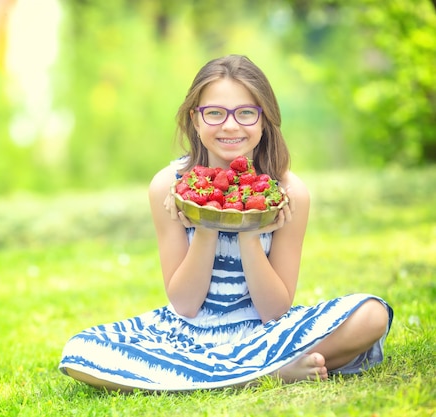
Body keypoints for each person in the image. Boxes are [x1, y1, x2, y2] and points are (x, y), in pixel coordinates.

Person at [58, 54, 393, 392]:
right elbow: (186, 305)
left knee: (372, 314)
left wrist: (249, 230)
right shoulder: (168, 186)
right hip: (188, 336)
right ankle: (264, 374)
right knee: (80, 351)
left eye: (246, 113)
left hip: (265, 334)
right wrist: (205, 224)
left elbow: (274, 311)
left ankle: (209, 376)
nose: (230, 126)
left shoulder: (288, 192)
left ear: (264, 120)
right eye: (215, 113)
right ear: (196, 119)